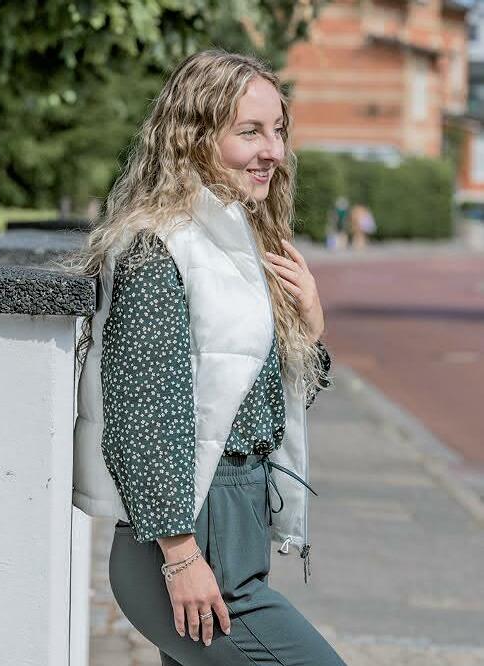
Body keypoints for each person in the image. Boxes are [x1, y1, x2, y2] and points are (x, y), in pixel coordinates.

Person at [66, 49, 347, 665]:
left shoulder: (237, 244)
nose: (273, 150)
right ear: (193, 138)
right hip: (188, 536)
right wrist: (180, 554)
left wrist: (311, 326)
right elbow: (143, 414)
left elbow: (262, 401)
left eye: (278, 130)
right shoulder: (157, 248)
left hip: (237, 520)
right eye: (250, 132)